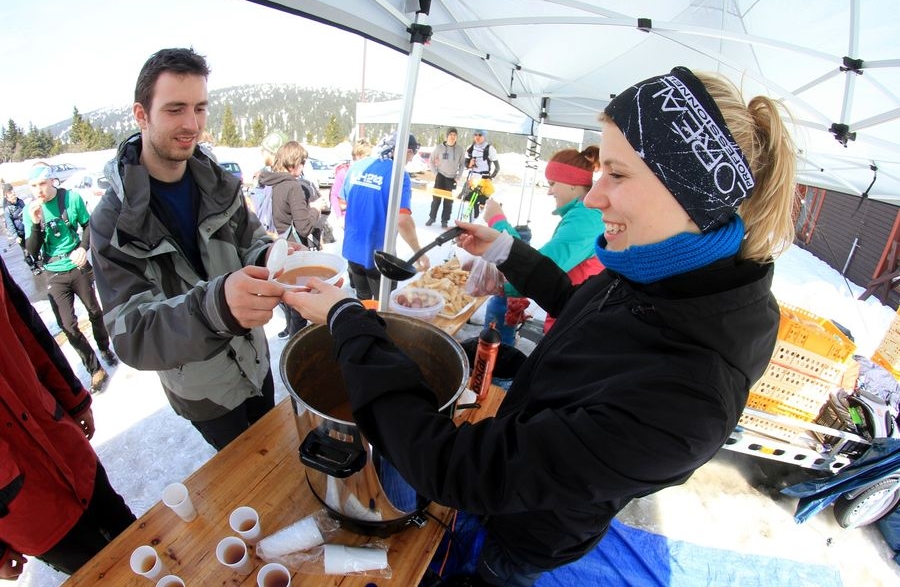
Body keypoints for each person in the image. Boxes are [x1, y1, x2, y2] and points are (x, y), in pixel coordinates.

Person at [283, 66, 796, 585]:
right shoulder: (664, 271)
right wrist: (509, 252)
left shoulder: (689, 401)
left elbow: (457, 470)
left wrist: (348, 321)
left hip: (526, 533)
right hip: (513, 468)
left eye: (617, 174)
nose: (594, 198)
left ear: (692, 197)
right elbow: (584, 308)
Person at [89, 47, 285, 451]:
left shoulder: (218, 182)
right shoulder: (113, 221)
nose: (192, 124)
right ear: (141, 115)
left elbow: (251, 241)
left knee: (273, 457)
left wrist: (274, 259)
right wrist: (217, 308)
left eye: (200, 108)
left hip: (256, 360)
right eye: (175, 109)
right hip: (204, 391)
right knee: (243, 479)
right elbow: (133, 334)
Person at [0, 256, 135, 578]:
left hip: (62, 442)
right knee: (100, 575)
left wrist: (72, 399)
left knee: (140, 543)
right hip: (20, 505)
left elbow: (25, 327)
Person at [482, 146, 606, 339]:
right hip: (570, 315)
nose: (549, 191)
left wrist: (497, 221)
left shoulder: (586, 219)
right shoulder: (584, 214)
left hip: (573, 325)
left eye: (552, 183)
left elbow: (542, 268)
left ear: (572, 183)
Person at [23, 163, 117, 394]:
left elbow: (88, 226)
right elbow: (32, 251)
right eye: (33, 186)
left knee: (94, 311)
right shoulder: (30, 210)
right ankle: (94, 368)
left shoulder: (71, 199)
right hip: (54, 270)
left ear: (52, 181)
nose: (39, 191)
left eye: (42, 184)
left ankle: (104, 347)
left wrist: (83, 248)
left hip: (78, 265)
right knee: (68, 326)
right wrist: (35, 225)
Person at [340, 132, 429, 300]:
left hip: (352, 250)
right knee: (383, 308)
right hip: (379, 258)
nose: (410, 160)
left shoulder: (358, 166)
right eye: (412, 154)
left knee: (362, 302)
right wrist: (420, 252)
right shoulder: (398, 175)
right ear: (406, 151)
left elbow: (343, 202)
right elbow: (402, 220)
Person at [258, 140, 323, 338]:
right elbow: (303, 226)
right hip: (295, 250)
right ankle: (295, 344)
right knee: (299, 305)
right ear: (293, 162)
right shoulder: (293, 186)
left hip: (278, 246)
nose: (303, 168)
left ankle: (288, 330)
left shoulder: (270, 180)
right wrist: (316, 210)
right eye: (302, 162)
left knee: (285, 295)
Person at [426, 127, 466, 228]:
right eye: (451, 135)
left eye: (454, 135)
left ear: (456, 137)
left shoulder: (460, 150)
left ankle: (445, 221)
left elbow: (462, 164)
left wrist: (458, 177)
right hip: (440, 176)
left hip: (452, 178)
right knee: (436, 199)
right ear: (447, 136)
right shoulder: (439, 148)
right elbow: (431, 160)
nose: (452, 137)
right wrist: (435, 172)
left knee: (448, 201)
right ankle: (432, 218)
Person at [330, 139, 372, 228]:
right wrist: (339, 216)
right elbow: (334, 195)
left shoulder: (371, 173)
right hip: (348, 220)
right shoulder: (344, 172)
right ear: (357, 155)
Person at [3, 182, 43, 275]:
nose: (13, 195)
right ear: (7, 197)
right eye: (10, 194)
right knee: (26, 251)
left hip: (28, 230)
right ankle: (33, 268)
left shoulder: (20, 201)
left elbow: (27, 213)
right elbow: (10, 225)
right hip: (20, 234)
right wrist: (16, 236)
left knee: (35, 246)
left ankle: (38, 262)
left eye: (13, 192)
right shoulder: (8, 210)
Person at [463, 129, 499, 219]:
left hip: (484, 180)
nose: (477, 137)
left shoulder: (489, 148)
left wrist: (490, 177)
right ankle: (472, 221)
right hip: (473, 178)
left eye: (480, 135)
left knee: (483, 203)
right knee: (472, 202)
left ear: (484, 136)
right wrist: (469, 164)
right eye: (475, 135)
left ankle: (480, 221)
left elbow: (497, 168)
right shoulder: (470, 147)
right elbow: (465, 164)